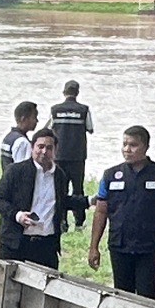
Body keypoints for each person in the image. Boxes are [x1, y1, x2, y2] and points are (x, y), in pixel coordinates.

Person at [88, 125, 155, 297]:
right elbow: (100, 212)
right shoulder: (110, 175)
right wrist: (94, 246)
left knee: (147, 294)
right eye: (124, 144)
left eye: (133, 145)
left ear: (146, 147)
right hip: (119, 245)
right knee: (122, 294)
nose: (127, 149)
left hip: (151, 247)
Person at [0, 127, 62, 270]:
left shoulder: (59, 176)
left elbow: (62, 201)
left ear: (55, 150)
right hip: (16, 243)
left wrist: (89, 201)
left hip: (46, 246)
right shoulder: (15, 171)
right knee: (10, 283)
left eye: (49, 148)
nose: (44, 151)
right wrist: (18, 215)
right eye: (40, 147)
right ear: (32, 147)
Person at [48, 80, 92, 232]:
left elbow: (48, 128)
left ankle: (62, 221)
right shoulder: (84, 110)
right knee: (78, 189)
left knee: (61, 189)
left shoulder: (55, 110)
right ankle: (79, 222)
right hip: (78, 157)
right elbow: (90, 128)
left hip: (59, 156)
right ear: (77, 93)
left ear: (64, 92)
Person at [0, 100, 38, 172]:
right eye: (34, 117)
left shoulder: (9, 137)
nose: (37, 121)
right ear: (23, 119)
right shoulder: (22, 142)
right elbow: (22, 170)